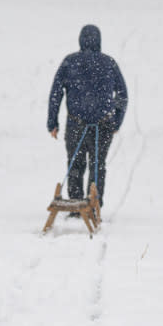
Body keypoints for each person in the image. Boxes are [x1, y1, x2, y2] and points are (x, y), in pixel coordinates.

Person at [47, 24, 128, 206]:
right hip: (103, 124)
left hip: (76, 123)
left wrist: (53, 123)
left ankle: (75, 204)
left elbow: (56, 93)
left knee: (75, 164)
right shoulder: (109, 63)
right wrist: (116, 120)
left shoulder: (70, 62)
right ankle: (94, 204)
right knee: (97, 164)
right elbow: (122, 95)